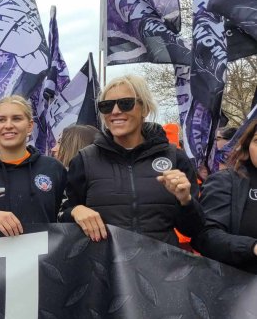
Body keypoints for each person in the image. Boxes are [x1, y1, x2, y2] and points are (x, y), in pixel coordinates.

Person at [60, 75, 203, 246]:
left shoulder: (174, 157)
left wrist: (185, 201)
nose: (115, 111)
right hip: (106, 268)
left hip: (161, 268)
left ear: (145, 109)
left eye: (125, 103)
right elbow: (63, 217)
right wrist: (76, 210)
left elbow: (195, 230)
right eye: (106, 106)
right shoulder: (84, 160)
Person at [0, 95, 67, 235]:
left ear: (29, 126)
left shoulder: (53, 168)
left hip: (47, 256)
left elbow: (67, 214)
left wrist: (78, 211)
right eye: (1, 120)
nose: (8, 125)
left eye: (16, 118)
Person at [192, 119, 257, 274]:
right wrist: (251, 247)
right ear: (248, 146)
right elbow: (205, 236)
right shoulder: (225, 181)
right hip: (241, 289)